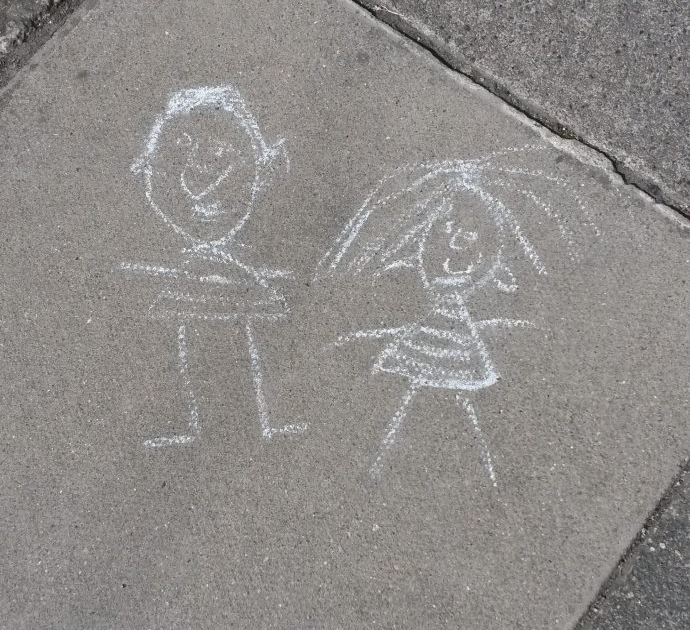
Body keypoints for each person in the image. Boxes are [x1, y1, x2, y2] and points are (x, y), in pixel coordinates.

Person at [316, 149, 570, 483]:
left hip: (451, 350)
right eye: (448, 233)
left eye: (476, 240)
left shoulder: (463, 328)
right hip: (428, 349)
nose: (458, 253)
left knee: (457, 416)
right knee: (414, 409)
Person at [123, 86, 305, 447]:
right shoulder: (197, 275)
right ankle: (220, 434)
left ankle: (233, 435)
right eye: (179, 148)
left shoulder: (231, 276)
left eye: (221, 151)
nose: (198, 171)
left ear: (262, 173)